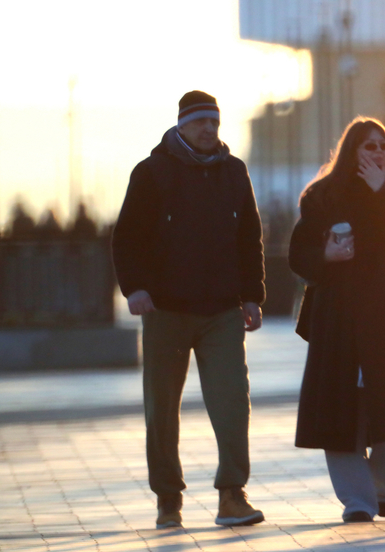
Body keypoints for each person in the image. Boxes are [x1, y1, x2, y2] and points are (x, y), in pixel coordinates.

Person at [111, 91, 265, 529]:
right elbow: (126, 237)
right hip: (165, 309)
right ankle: (168, 500)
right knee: (161, 409)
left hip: (222, 311)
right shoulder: (152, 172)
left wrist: (253, 295)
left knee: (233, 401)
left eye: (214, 123)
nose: (209, 130)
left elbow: (249, 237)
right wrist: (136, 288)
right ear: (181, 125)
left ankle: (232, 495)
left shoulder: (234, 172)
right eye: (200, 123)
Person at [288, 117, 385, 523]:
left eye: (382, 146)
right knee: (338, 409)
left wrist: (379, 193)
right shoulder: (321, 197)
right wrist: (325, 257)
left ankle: (382, 480)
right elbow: (298, 253)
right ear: (351, 151)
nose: (376, 153)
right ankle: (358, 500)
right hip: (337, 314)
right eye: (367, 146)